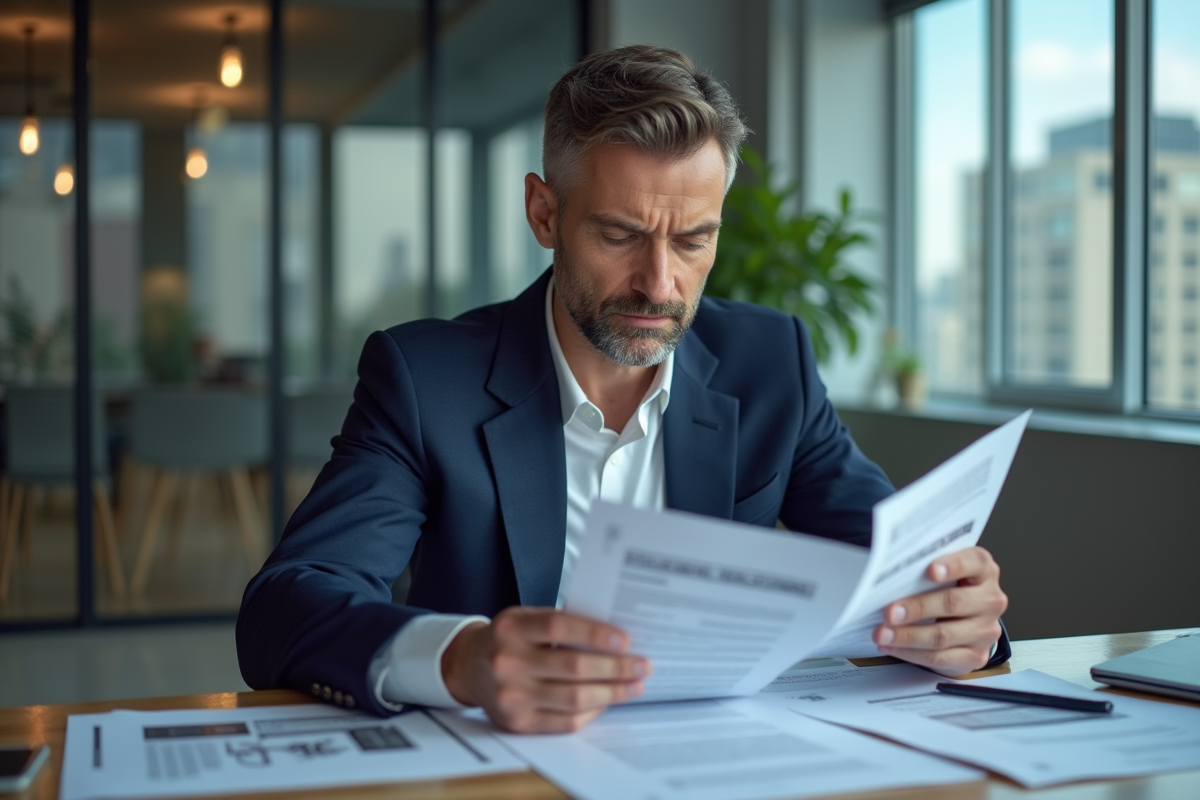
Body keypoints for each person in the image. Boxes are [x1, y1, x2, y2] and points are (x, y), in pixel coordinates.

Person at [237, 44, 1009, 734]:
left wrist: (957, 618)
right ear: (544, 213)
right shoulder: (425, 379)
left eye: (693, 240)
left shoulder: (771, 363)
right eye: (619, 235)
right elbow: (285, 605)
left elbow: (896, 567)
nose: (659, 284)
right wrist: (459, 657)